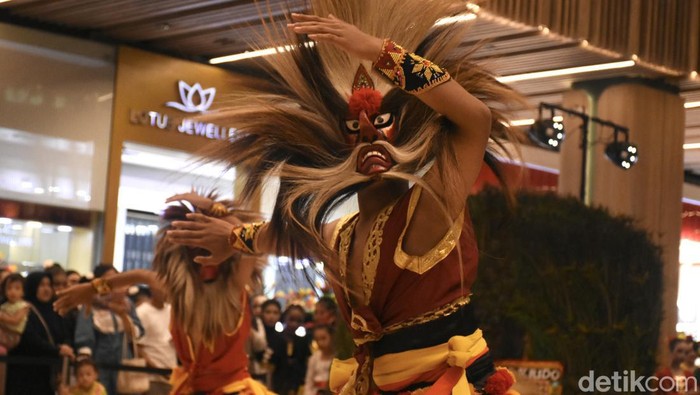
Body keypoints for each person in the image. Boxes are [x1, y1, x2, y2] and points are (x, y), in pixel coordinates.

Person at [166, 1, 521, 394]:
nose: (368, 132)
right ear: (337, 145)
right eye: (354, 127)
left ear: (402, 131)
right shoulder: (344, 234)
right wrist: (230, 237)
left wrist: (379, 52)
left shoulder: (431, 206)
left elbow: (476, 119)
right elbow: (289, 238)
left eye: (381, 122)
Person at [55, 194, 274, 395]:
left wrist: (216, 210)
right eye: (197, 252)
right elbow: (140, 275)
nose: (206, 263)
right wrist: (91, 288)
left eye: (211, 251)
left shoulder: (234, 288)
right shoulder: (181, 293)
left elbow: (249, 240)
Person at [74, 264, 144, 395]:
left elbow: (137, 333)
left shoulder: (128, 303)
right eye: (108, 280)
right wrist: (85, 364)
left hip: (123, 361)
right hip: (98, 363)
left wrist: (123, 315)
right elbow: (84, 336)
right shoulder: (90, 303)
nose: (113, 284)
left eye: (115, 279)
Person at [7, 272, 75, 395]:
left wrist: (66, 347)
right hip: (25, 373)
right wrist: (57, 350)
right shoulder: (24, 308)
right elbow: (29, 338)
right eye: (41, 285)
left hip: (49, 374)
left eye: (49, 285)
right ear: (33, 287)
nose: (46, 289)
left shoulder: (55, 309)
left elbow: (65, 334)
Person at [135, 285, 177, 395]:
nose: (166, 292)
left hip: (172, 372)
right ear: (152, 289)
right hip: (152, 376)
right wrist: (156, 368)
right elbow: (137, 347)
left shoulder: (171, 310)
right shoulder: (142, 312)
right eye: (162, 287)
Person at [0, 273, 29, 349]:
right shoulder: (4, 305)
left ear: (23, 291)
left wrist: (2, 317)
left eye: (17, 288)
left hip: (13, 335)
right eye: (9, 288)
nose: (13, 292)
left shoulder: (24, 306)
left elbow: (15, 320)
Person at [305, 325, 335, 395]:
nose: (320, 342)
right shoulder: (314, 358)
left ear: (331, 337)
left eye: (323, 338)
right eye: (317, 339)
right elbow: (309, 381)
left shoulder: (338, 357)